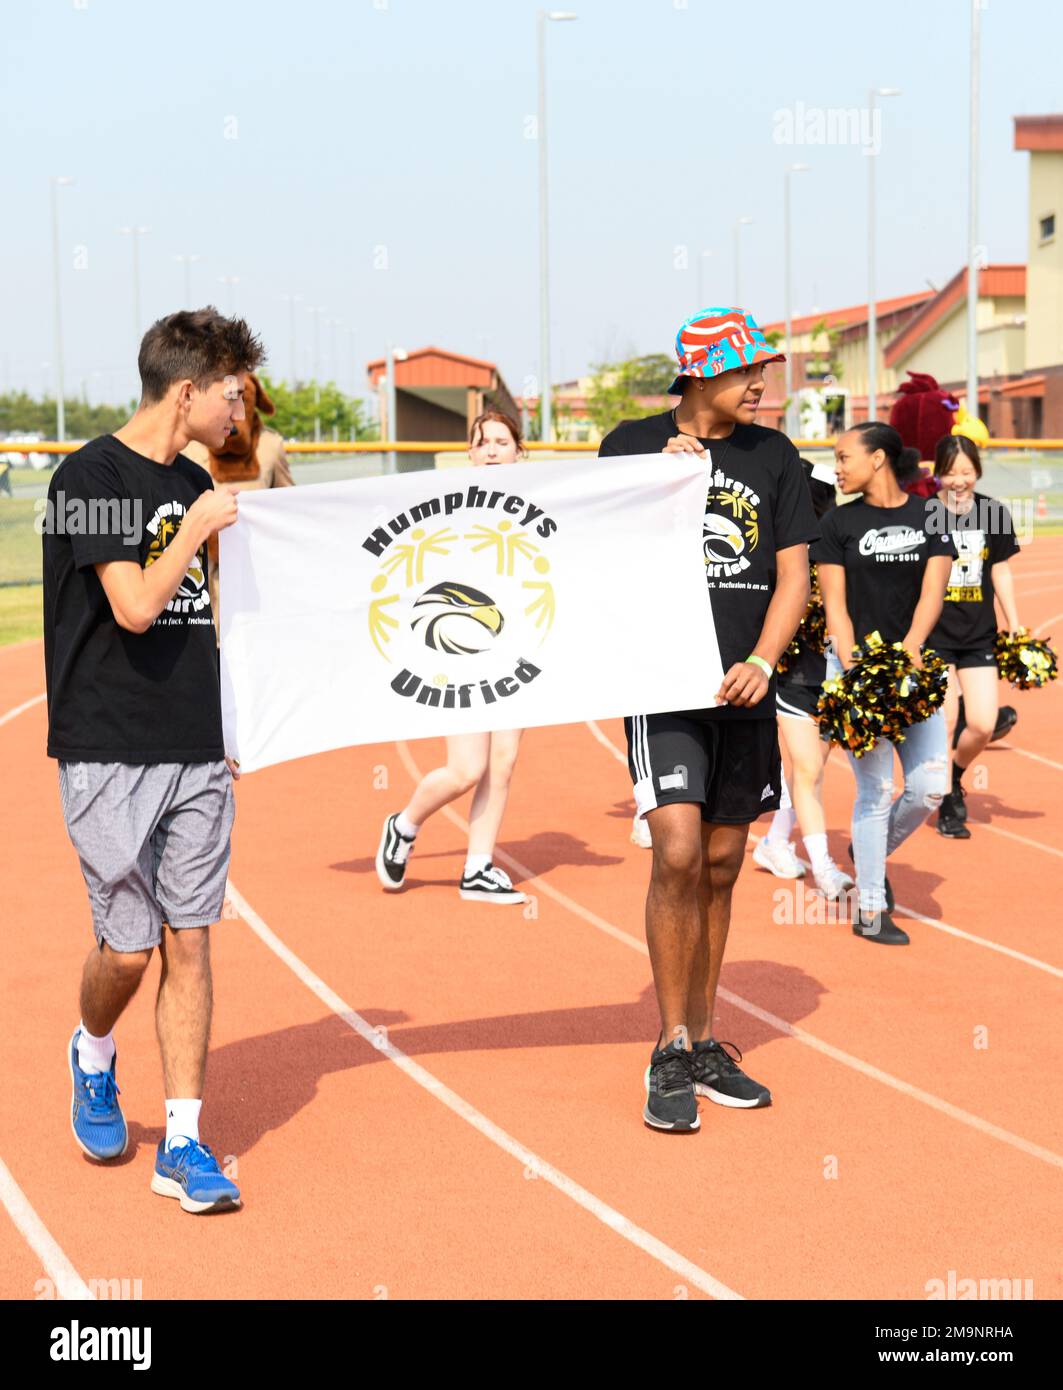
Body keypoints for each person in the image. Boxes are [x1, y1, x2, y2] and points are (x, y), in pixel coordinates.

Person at [43, 306, 264, 1212]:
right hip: (106, 746)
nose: (240, 413)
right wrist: (196, 525)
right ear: (188, 391)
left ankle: (183, 1138)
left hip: (192, 745)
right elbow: (134, 604)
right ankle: (93, 1052)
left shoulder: (198, 476)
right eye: (232, 395)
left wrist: (237, 722)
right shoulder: (87, 476)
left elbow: (209, 615)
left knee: (192, 938)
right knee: (128, 952)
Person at [599, 306, 819, 1132]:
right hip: (662, 684)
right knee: (679, 849)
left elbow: (793, 572)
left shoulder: (774, 455)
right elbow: (594, 547)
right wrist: (652, 476)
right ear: (700, 374)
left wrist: (763, 661)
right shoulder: (629, 443)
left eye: (762, 370)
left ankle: (702, 1038)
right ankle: (667, 1045)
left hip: (747, 688)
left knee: (723, 862)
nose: (760, 384)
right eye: (744, 371)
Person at [376, 409, 528, 905]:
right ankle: (404, 823)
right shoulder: (447, 506)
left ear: (519, 452)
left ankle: (478, 868)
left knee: (501, 764)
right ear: (469, 453)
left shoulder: (539, 506)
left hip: (518, 647)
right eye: (481, 442)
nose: (490, 450)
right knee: (467, 769)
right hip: (459, 648)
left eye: (501, 442)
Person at [815, 423, 956, 946]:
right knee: (874, 791)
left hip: (914, 673)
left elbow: (932, 593)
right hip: (856, 672)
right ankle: (870, 908)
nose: (838, 466)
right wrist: (855, 668)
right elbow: (835, 606)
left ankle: (868, 850)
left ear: (877, 459)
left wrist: (912, 648)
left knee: (928, 787)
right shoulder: (836, 523)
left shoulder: (930, 515)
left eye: (844, 456)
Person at [754, 460, 854, 901]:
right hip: (793, 673)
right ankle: (825, 869)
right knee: (810, 769)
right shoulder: (777, 550)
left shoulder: (835, 546)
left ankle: (776, 842)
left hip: (832, 673)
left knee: (810, 775)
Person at [927, 435, 1021, 838]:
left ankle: (955, 773)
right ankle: (948, 801)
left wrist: (1014, 622)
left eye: (967, 471)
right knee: (945, 721)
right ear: (938, 473)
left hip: (979, 634)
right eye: (951, 472)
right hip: (935, 635)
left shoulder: (993, 513)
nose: (959, 480)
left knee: (982, 723)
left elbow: (999, 569)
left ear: (977, 471)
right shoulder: (926, 513)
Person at [181, 372, 294, 631]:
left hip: (255, 578)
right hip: (202, 579)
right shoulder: (191, 446)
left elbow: (287, 505)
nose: (236, 413)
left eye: (242, 399)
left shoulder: (269, 446)